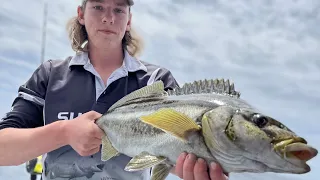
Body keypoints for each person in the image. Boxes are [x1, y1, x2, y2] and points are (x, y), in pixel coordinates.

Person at [0, 0, 228, 179]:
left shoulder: (156, 81)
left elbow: (174, 155)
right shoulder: (50, 75)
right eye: (98, 7)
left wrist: (199, 169)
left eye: (119, 10)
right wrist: (64, 132)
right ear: (81, 14)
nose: (108, 18)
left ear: (129, 20)